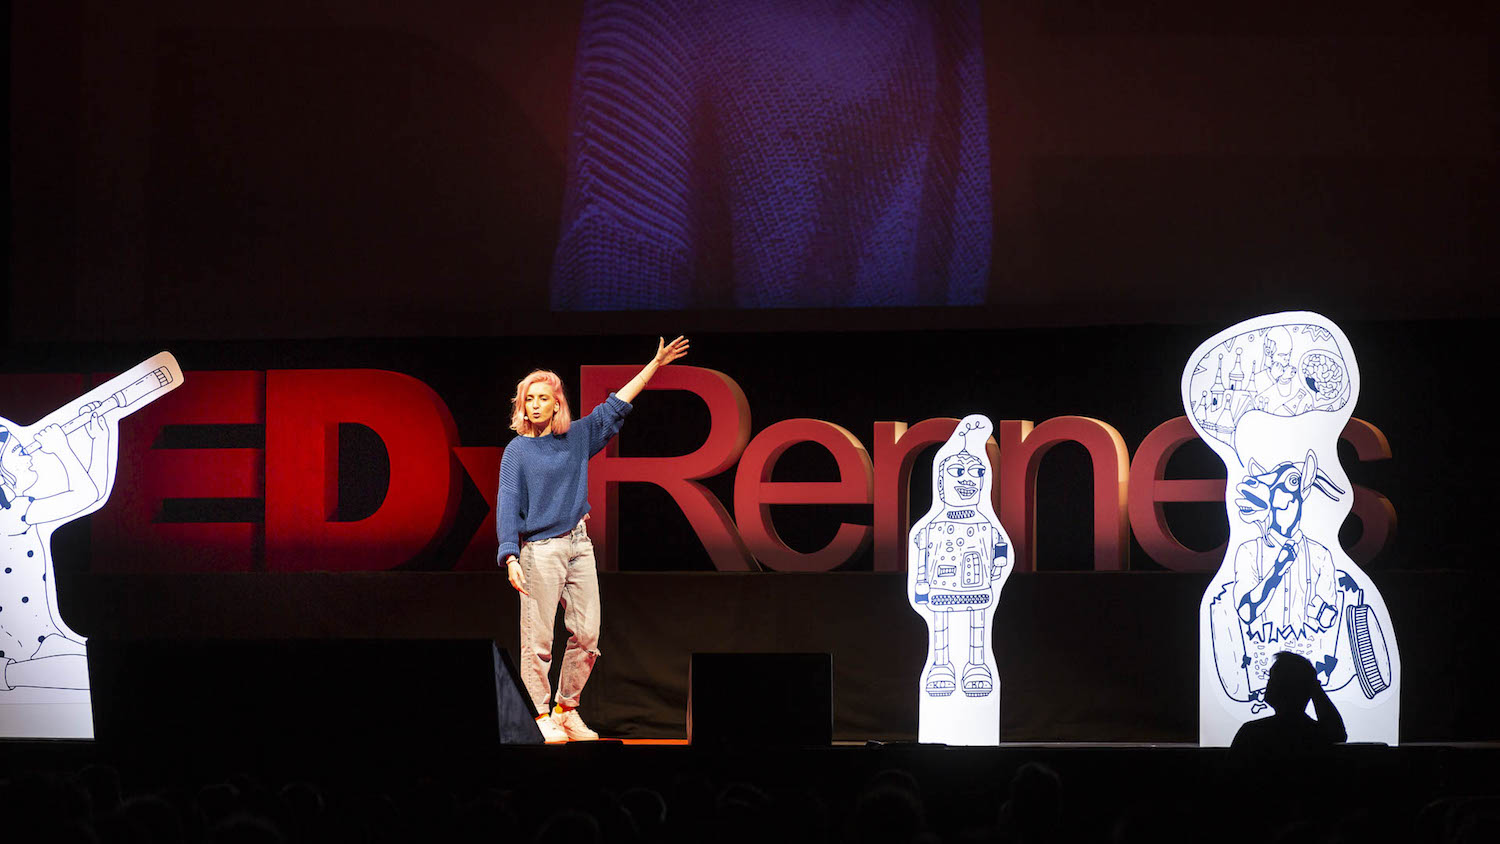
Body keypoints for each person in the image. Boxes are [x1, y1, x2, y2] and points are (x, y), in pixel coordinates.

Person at [496, 336, 689, 743]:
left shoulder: (577, 436)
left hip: (579, 545)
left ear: (556, 403)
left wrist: (654, 365)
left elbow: (617, 404)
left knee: (587, 635)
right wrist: (510, 555)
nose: (535, 405)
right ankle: (541, 715)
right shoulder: (516, 451)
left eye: (543, 398)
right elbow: (507, 505)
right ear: (522, 405)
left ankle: (567, 709)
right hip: (540, 552)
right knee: (538, 641)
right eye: (528, 398)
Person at [1230, 651, 1347, 759]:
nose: (1268, 683)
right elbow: (1338, 732)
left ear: (1281, 686)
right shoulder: (1317, 735)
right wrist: (1314, 686)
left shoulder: (1251, 734)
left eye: (1272, 678)